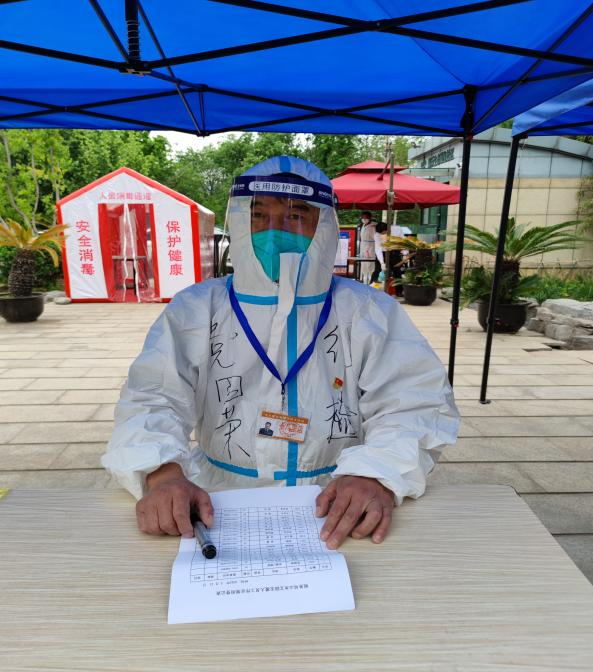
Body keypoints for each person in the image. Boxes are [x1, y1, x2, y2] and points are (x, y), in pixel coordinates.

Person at [102, 156, 459, 551]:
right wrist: (163, 473)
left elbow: (412, 402)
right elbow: (152, 397)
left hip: (340, 503)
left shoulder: (368, 311)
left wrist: (375, 474)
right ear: (240, 221)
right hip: (215, 503)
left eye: (295, 215)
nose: (275, 230)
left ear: (324, 225)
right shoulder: (197, 308)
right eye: (259, 215)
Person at [358, 211, 385, 283]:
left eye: (366, 218)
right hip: (363, 247)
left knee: (370, 265)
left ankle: (371, 280)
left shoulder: (373, 226)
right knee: (364, 265)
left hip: (371, 247)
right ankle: (364, 279)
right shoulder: (363, 225)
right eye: (362, 217)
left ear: (370, 218)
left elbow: (376, 238)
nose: (364, 219)